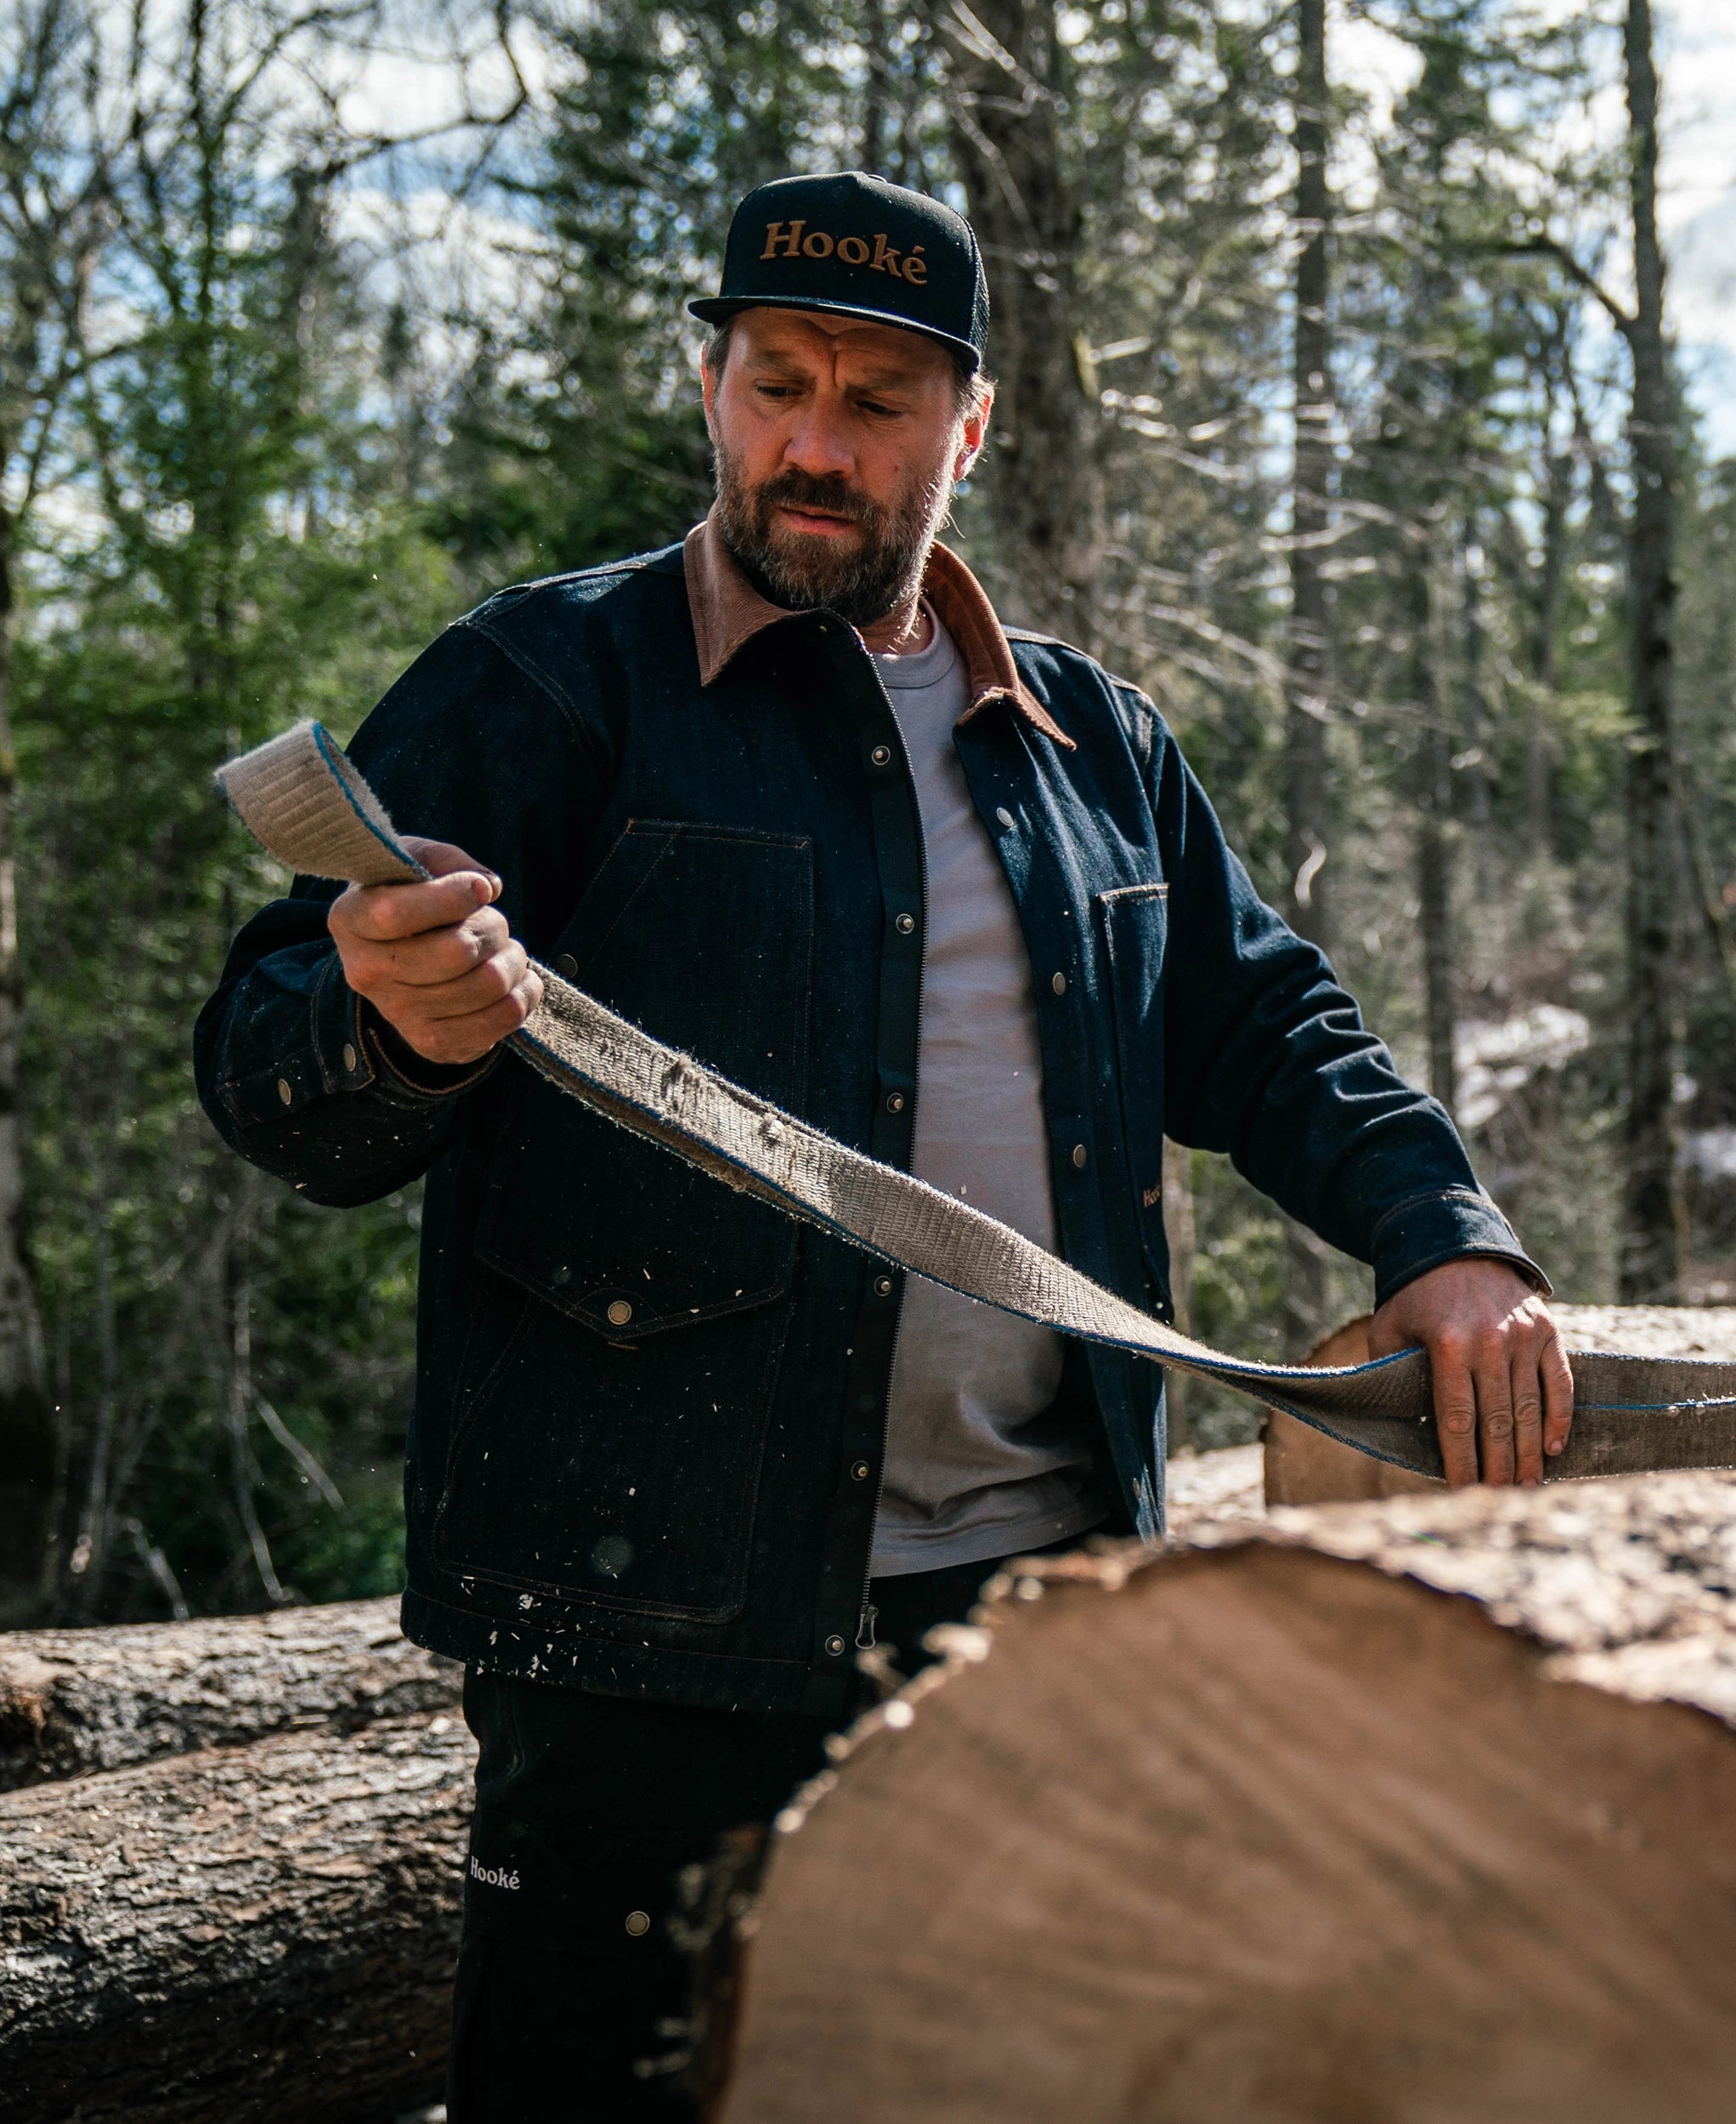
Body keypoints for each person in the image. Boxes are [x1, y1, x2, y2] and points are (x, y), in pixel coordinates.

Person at [195, 170, 1572, 2119]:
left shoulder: (1096, 747)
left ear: (970, 426)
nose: (812, 449)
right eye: (776, 385)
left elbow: (1270, 1026)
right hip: (641, 1642)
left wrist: (1446, 1235)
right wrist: (378, 1022)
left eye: (876, 405)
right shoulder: (547, 685)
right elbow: (263, 1062)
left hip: (1033, 1618)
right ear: (711, 387)